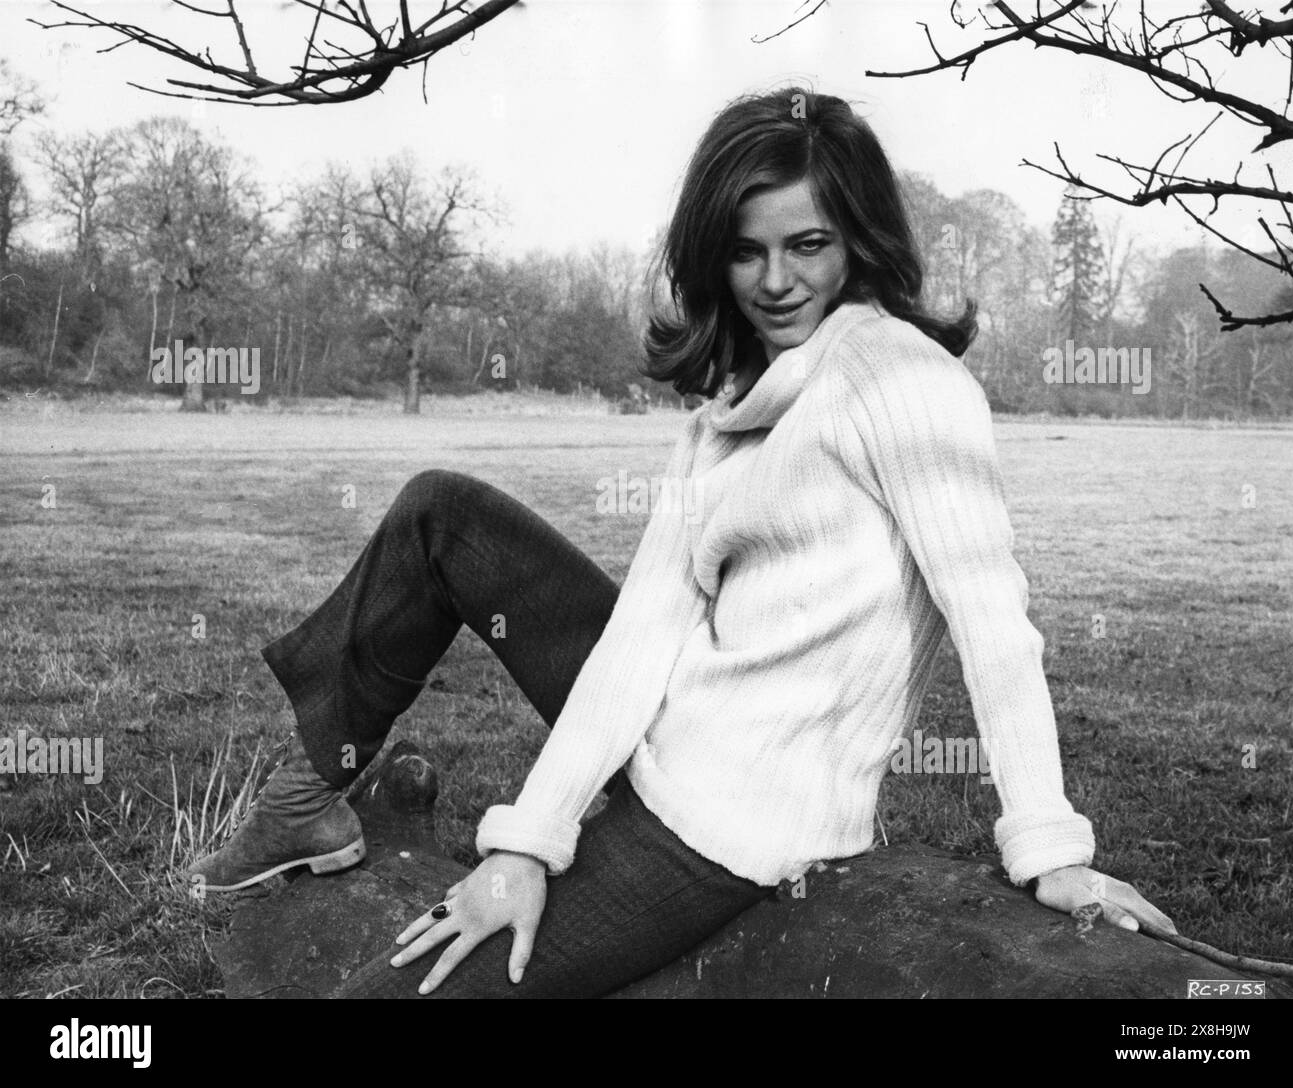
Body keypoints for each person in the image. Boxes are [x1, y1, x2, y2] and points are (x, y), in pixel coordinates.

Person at [189, 86, 1176, 998]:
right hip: (666, 727)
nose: (776, 280)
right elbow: (640, 636)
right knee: (443, 512)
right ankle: (299, 801)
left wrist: (1051, 848)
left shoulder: (905, 383)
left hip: (730, 826)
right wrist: (527, 842)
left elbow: (993, 624)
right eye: (748, 251)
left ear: (860, 241)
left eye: (809, 244)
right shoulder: (727, 405)